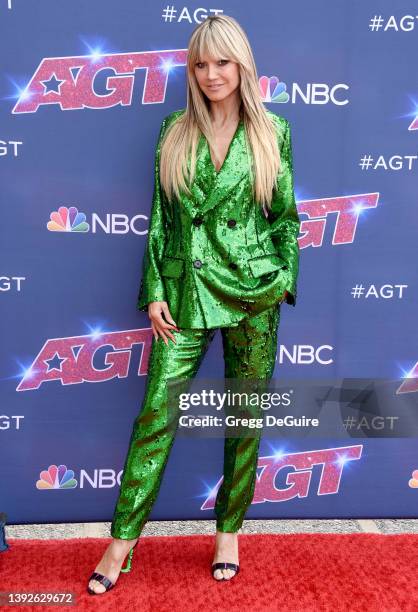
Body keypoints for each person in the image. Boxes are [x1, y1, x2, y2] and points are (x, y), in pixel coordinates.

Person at [87, 14, 300, 595]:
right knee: (156, 415)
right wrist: (154, 290)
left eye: (222, 63)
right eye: (200, 64)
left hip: (253, 293)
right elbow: (160, 222)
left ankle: (229, 530)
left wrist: (282, 280)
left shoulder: (273, 131)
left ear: (242, 65)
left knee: (244, 417)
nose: (211, 74)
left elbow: (285, 219)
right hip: (183, 294)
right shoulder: (172, 131)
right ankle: (120, 543)